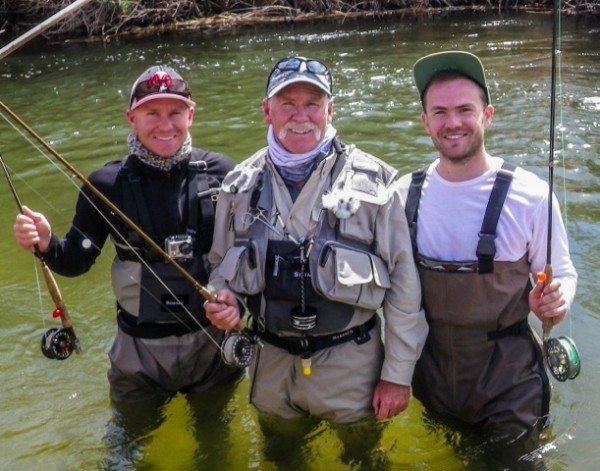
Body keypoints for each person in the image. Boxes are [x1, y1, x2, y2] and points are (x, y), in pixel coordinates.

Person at [203, 55, 428, 468]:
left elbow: (404, 285)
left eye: (312, 103)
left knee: (364, 457)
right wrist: (224, 298)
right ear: (266, 110)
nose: (300, 116)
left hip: (352, 365)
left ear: (331, 109)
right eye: (287, 103)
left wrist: (397, 374)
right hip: (270, 363)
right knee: (281, 456)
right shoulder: (238, 185)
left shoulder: (377, 181)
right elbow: (221, 266)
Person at [13, 65, 242, 467]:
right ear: (131, 118)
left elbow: (248, 260)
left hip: (212, 350)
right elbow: (75, 261)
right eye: (152, 113)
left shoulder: (225, 174)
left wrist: (238, 301)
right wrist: (47, 244)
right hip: (138, 359)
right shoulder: (106, 183)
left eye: (175, 112)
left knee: (215, 445)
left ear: (192, 115)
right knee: (124, 454)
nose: (164, 125)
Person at [399, 50, 578, 467]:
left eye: (465, 109)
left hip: (509, 383)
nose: (453, 122)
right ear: (425, 121)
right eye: (439, 111)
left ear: (488, 115)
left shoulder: (530, 195)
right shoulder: (401, 195)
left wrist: (556, 300)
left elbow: (563, 271)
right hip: (433, 379)